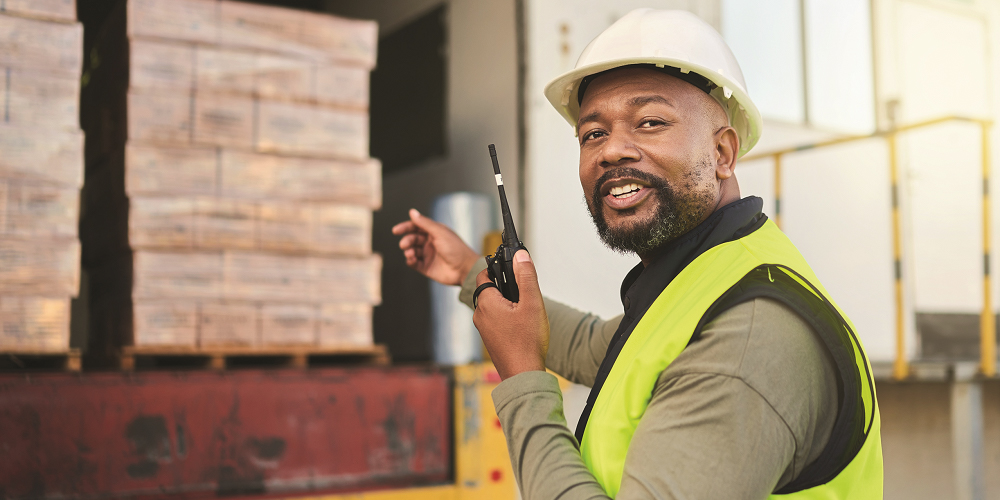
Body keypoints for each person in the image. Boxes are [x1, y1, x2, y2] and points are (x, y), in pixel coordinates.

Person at [393, 9, 882, 499]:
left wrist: (522, 376)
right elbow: (595, 346)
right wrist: (466, 270)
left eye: (650, 122)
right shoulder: (709, 273)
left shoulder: (749, 336)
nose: (611, 151)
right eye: (593, 134)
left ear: (724, 154)